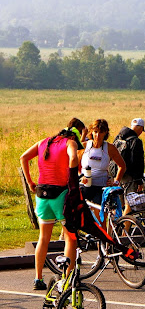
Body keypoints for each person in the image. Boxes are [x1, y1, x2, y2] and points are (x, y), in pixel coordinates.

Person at [20, 124, 83, 290]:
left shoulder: (43, 142)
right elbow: (73, 158)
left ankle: (38, 278)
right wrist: (73, 180)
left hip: (42, 195)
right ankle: (67, 279)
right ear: (73, 137)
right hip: (60, 195)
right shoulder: (71, 143)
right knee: (71, 238)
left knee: (43, 239)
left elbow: (23, 157)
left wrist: (30, 182)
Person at [80, 119, 126, 205]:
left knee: (99, 215)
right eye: (95, 132)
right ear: (91, 132)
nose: (97, 135)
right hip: (85, 186)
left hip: (101, 187)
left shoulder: (110, 148)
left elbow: (122, 166)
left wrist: (116, 182)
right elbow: (74, 164)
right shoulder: (84, 146)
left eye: (101, 132)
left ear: (105, 133)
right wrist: (80, 176)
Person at [113, 118, 145, 215]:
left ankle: (116, 227)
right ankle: (124, 229)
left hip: (117, 174)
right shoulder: (136, 141)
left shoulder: (118, 137)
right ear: (139, 128)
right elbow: (138, 162)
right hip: (129, 177)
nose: (141, 133)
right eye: (142, 130)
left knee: (119, 204)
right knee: (130, 205)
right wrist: (139, 181)